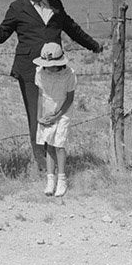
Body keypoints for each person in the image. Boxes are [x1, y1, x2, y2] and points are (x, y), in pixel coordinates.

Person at [0, 0, 102, 170]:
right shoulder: (17, 8)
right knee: (36, 115)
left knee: (55, 113)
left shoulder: (56, 5)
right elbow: (1, 34)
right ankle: (42, 165)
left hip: (55, 69)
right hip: (29, 70)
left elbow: (72, 29)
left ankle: (53, 160)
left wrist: (93, 45)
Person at [33, 42, 77, 197]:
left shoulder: (69, 74)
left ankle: (62, 179)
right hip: (47, 110)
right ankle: (50, 180)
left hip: (63, 111)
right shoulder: (40, 72)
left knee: (59, 144)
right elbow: (40, 95)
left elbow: (70, 98)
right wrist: (39, 116)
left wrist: (57, 116)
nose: (49, 68)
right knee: (49, 145)